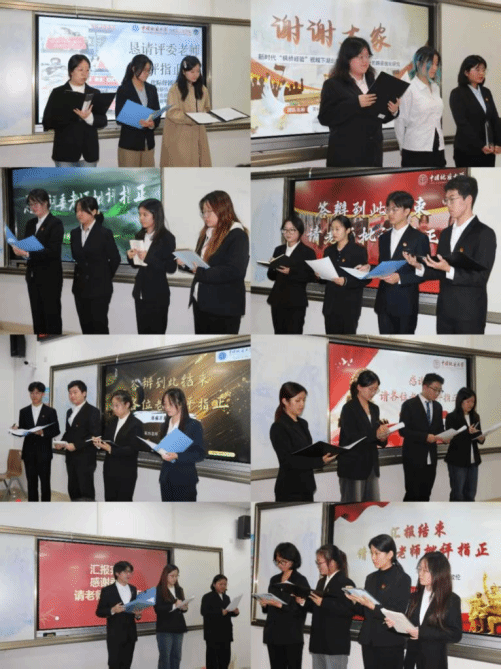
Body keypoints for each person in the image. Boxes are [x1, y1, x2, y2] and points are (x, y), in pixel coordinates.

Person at [404, 175, 497, 334]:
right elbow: (440, 270)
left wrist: (449, 269)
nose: (447, 204)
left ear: (468, 199)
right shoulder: (446, 233)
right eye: (446, 200)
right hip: (444, 313)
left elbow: (481, 277)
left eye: (452, 199)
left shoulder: (484, 233)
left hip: (469, 316)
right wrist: (419, 266)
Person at [318, 37, 399, 167]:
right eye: (360, 57)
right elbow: (325, 117)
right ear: (347, 59)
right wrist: (356, 103)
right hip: (346, 158)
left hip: (373, 156)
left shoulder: (373, 83)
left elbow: (380, 117)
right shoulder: (333, 84)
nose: (365, 61)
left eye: (367, 56)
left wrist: (393, 111)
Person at [178, 191, 249, 334]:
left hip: (223, 307)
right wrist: (184, 263)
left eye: (209, 211)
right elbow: (202, 265)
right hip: (201, 303)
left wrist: (199, 271)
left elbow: (235, 271)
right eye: (203, 212)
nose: (205, 216)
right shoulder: (206, 234)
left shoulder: (237, 235)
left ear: (223, 210)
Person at [345, 534, 411, 669]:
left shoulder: (402, 578)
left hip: (390, 642)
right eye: (371, 553)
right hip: (369, 640)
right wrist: (354, 600)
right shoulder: (370, 578)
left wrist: (372, 606)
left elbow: (397, 612)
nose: (373, 557)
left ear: (390, 554)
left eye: (377, 553)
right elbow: (365, 611)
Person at [370, 191, 430, 334]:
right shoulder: (383, 238)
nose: (390, 213)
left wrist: (400, 278)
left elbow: (426, 272)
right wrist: (370, 268)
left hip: (405, 305)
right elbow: (383, 266)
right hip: (384, 304)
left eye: (394, 209)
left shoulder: (419, 238)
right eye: (388, 209)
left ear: (407, 211)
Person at [270, 382, 336, 502]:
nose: (302, 404)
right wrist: (319, 461)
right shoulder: (278, 427)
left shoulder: (303, 424)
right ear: (285, 401)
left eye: (304, 400)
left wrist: (325, 453)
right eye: (297, 400)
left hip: (307, 487)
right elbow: (288, 461)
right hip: (289, 489)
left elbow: (307, 453)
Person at [10, 189, 64, 335]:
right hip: (33, 276)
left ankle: (53, 341)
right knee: (37, 315)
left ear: (46, 203)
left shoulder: (55, 223)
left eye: (36, 204)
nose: (33, 207)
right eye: (31, 204)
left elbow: (53, 252)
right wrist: (21, 251)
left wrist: (28, 253)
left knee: (51, 316)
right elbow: (28, 248)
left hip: (50, 278)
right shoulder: (30, 223)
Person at [42, 54, 108, 166]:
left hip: (88, 155)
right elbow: (47, 122)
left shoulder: (94, 93)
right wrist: (69, 115)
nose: (84, 74)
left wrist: (89, 118)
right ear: (71, 71)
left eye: (87, 70)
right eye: (80, 70)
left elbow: (103, 121)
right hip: (65, 153)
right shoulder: (59, 93)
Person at [297, 544, 356, 669]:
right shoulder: (321, 582)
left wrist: (323, 603)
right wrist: (303, 602)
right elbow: (317, 607)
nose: (318, 566)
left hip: (335, 645)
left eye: (320, 563)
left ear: (332, 562)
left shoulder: (345, 582)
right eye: (317, 563)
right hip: (318, 642)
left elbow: (348, 610)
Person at [401, 552, 462, 669]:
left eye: (425, 570)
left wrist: (422, 633)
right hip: (411, 660)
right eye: (419, 569)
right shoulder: (414, 597)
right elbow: (411, 627)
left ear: (438, 573)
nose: (420, 574)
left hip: (434, 662)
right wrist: (396, 625)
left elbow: (455, 634)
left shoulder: (451, 600)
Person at [70, 196, 121, 334]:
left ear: (93, 211)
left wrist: (104, 277)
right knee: (85, 327)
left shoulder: (104, 233)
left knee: (99, 327)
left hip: (100, 289)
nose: (79, 214)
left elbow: (115, 259)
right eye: (77, 211)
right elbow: (77, 257)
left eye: (83, 210)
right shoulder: (74, 233)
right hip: (80, 288)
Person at [337, 369, 389, 503]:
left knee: (372, 506)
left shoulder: (374, 408)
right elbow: (352, 436)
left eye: (376, 389)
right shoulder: (349, 408)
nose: (373, 392)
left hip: (371, 465)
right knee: (352, 507)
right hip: (353, 466)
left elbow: (374, 436)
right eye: (370, 389)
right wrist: (375, 434)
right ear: (359, 387)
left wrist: (382, 438)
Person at [126, 198, 177, 334]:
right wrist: (131, 257)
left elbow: (171, 268)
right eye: (140, 214)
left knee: (157, 336)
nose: (141, 218)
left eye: (145, 214)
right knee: (142, 334)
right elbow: (138, 265)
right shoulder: (139, 235)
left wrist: (148, 257)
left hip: (157, 295)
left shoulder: (167, 238)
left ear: (156, 215)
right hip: (140, 293)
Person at [260, 542, 310, 669]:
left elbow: (302, 609)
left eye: (283, 561)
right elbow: (268, 610)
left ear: (293, 561)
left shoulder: (300, 581)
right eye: (277, 561)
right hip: (273, 634)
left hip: (291, 636)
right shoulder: (274, 580)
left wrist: (281, 605)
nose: (280, 565)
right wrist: (265, 604)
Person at [395, 47, 446, 168]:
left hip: (437, 146)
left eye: (436, 64)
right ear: (418, 64)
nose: (434, 68)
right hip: (415, 149)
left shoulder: (435, 87)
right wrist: (402, 147)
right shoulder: (409, 88)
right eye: (430, 63)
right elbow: (400, 120)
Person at [399, 373, 445, 502]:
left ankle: (423, 515)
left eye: (440, 390)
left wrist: (445, 436)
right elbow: (403, 431)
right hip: (414, 456)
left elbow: (439, 429)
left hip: (431, 456)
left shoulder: (437, 406)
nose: (437, 393)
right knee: (412, 494)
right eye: (435, 389)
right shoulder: (409, 405)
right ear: (425, 386)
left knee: (426, 493)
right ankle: (408, 516)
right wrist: (425, 437)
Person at [266, 214, 316, 334]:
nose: (288, 233)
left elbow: (311, 276)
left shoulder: (308, 252)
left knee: (294, 335)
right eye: (285, 230)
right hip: (277, 300)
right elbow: (271, 276)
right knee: (278, 334)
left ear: (300, 231)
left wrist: (291, 272)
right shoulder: (279, 250)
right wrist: (273, 266)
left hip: (296, 302)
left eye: (292, 230)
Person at [92, 390, 145, 502]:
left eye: (117, 405)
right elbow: (106, 440)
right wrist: (99, 443)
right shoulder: (112, 422)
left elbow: (133, 449)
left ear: (127, 404)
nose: (114, 408)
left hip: (126, 472)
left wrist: (111, 449)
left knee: (123, 503)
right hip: (109, 469)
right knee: (109, 501)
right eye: (113, 405)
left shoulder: (136, 424)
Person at [449, 55, 501, 167]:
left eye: (483, 70)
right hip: (467, 151)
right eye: (477, 70)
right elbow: (462, 124)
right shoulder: (457, 93)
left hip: (488, 152)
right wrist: (481, 145)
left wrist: (498, 143)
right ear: (466, 72)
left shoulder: (486, 92)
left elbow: (494, 119)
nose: (481, 73)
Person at [320, 216, 369, 334]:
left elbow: (365, 279)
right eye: (332, 229)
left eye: (337, 229)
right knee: (331, 340)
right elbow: (324, 280)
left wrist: (345, 281)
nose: (334, 232)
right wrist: (319, 274)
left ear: (348, 230)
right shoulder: (329, 251)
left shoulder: (358, 251)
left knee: (346, 341)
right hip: (330, 306)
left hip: (349, 307)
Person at [160, 56, 211, 167]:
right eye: (192, 71)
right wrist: (193, 118)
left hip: (199, 134)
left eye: (198, 71)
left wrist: (208, 115)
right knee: (182, 169)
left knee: (200, 168)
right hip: (180, 136)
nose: (195, 74)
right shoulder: (175, 89)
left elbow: (207, 108)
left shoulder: (203, 89)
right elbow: (172, 113)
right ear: (183, 71)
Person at [156, 387, 205, 502]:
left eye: (170, 404)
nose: (167, 408)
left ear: (181, 403)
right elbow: (164, 449)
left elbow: (200, 454)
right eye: (165, 404)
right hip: (166, 479)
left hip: (184, 480)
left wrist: (177, 455)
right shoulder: (164, 425)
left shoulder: (193, 425)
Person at [14, 382, 60, 502]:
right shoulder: (24, 411)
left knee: (45, 484)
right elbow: (22, 431)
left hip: (44, 454)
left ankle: (45, 509)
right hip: (28, 454)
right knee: (31, 485)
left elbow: (56, 430)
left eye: (37, 393)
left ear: (43, 394)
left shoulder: (50, 411)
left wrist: (43, 432)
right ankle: (33, 509)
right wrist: (15, 430)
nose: (34, 395)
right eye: (32, 393)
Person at [57, 380, 101, 501]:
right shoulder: (69, 412)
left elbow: (95, 435)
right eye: (70, 393)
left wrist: (76, 445)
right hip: (71, 457)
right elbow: (68, 432)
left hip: (85, 458)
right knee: (73, 489)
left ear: (84, 393)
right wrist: (61, 443)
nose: (72, 395)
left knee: (85, 491)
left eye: (75, 392)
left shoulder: (93, 411)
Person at [115, 54, 160, 166]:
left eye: (148, 70)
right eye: (143, 70)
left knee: (148, 176)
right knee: (129, 176)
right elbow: (119, 116)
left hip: (148, 144)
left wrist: (152, 123)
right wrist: (138, 121)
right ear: (134, 68)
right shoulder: (123, 89)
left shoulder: (152, 89)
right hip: (130, 144)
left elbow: (157, 113)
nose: (146, 73)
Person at [96, 560, 142, 669]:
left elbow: (135, 612)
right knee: (114, 665)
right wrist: (112, 610)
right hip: (115, 636)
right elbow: (99, 612)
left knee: (127, 665)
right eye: (126, 572)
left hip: (130, 635)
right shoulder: (107, 590)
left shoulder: (133, 589)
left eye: (130, 572)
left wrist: (138, 614)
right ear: (117, 573)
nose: (129, 574)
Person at [444, 387, 485, 501]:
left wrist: (481, 437)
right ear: (460, 401)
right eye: (468, 401)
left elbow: (478, 437)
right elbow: (451, 438)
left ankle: (469, 513)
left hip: (473, 460)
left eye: (473, 401)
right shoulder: (451, 417)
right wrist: (467, 432)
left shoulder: (475, 417)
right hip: (457, 461)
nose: (471, 404)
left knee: (471, 493)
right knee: (458, 494)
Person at [201, 574, 240, 669]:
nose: (223, 586)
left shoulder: (226, 597)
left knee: (225, 659)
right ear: (214, 584)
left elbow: (228, 613)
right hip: (213, 634)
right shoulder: (207, 597)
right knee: (213, 661)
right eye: (220, 584)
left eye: (225, 584)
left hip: (226, 633)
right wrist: (220, 612)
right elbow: (204, 612)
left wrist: (235, 612)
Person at [155, 564, 189, 669]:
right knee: (165, 659)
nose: (175, 578)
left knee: (177, 657)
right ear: (165, 575)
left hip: (178, 627)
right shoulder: (158, 590)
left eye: (176, 576)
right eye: (172, 576)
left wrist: (184, 607)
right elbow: (158, 609)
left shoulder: (179, 589)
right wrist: (174, 605)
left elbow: (182, 608)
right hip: (165, 629)